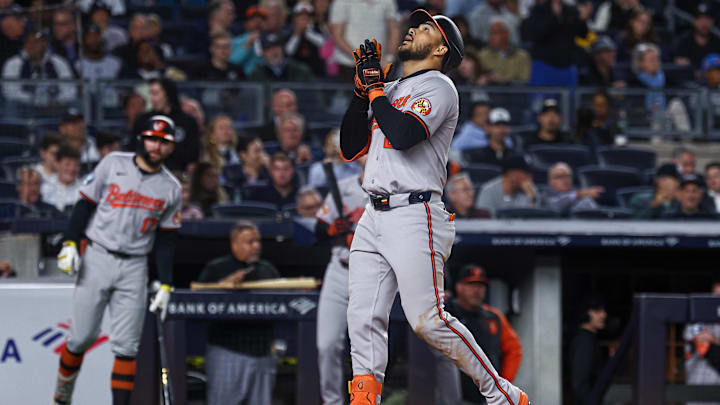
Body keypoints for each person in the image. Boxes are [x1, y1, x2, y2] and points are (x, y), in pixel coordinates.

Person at [338, 10, 529, 404]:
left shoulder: (439, 86)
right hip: (373, 213)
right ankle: (364, 400)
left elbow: (406, 135)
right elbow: (349, 147)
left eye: (425, 28)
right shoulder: (389, 87)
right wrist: (362, 94)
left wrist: (376, 93)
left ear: (442, 48)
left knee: (428, 321)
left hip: (415, 211)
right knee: (362, 317)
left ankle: (501, 394)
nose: (413, 29)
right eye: (416, 24)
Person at [52, 115, 181, 405]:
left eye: (163, 142)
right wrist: (70, 242)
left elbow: (166, 240)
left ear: (171, 147)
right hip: (98, 255)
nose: (156, 147)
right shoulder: (113, 163)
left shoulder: (171, 188)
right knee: (81, 338)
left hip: (135, 265)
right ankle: (62, 396)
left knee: (127, 347)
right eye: (152, 139)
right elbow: (85, 203)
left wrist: (165, 284)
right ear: (141, 138)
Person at [197, 220, 280, 405]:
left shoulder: (268, 270)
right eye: (250, 242)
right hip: (228, 351)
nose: (256, 246)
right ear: (234, 243)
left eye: (258, 241)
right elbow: (197, 300)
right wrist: (222, 286)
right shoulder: (216, 268)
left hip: (263, 352)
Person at [315, 155, 370, 405]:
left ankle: (366, 400)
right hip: (339, 271)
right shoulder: (345, 187)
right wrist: (333, 230)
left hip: (372, 277)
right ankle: (332, 402)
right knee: (326, 345)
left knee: (368, 351)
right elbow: (318, 228)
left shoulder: (392, 192)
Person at [435, 265, 523, 405]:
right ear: (458, 287)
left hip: (485, 399)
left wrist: (502, 386)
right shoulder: (447, 313)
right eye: (471, 284)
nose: (477, 290)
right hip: (453, 396)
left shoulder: (494, 317)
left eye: (481, 285)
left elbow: (514, 350)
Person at [131, 78, 201, 172]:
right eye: (150, 93)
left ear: (168, 94)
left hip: (178, 175)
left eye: (155, 93)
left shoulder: (187, 122)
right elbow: (133, 150)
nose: (152, 98)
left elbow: (193, 157)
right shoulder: (143, 121)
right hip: (145, 174)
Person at [2, 28, 76, 106]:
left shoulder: (59, 63)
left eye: (36, 42)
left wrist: (55, 101)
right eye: (28, 42)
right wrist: (35, 100)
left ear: (45, 44)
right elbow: (10, 92)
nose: (31, 46)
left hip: (54, 110)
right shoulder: (13, 63)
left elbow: (70, 91)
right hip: (21, 111)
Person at [328, 0, 400, 80]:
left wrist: (389, 58)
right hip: (348, 66)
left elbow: (394, 30)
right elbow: (337, 36)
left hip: (379, 65)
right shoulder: (341, 2)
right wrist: (362, 59)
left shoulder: (388, 1)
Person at [525, 0, 590, 86]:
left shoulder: (570, 10)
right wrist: (554, 16)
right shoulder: (539, 9)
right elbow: (536, 35)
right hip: (544, 64)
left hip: (567, 65)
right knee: (541, 99)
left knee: (568, 99)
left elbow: (583, 35)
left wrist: (582, 19)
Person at [628, 43, 691, 132]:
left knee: (676, 104)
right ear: (641, 63)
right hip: (645, 118)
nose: (656, 62)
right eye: (651, 59)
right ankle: (656, 143)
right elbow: (634, 108)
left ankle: (687, 139)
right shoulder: (634, 82)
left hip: (665, 116)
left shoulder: (668, 80)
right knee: (656, 113)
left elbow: (673, 98)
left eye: (657, 59)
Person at [683, 279, 720, 405]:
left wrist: (714, 340)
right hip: (698, 387)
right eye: (715, 296)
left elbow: (710, 341)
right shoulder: (697, 320)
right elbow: (700, 338)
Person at [567, 296, 607, 405]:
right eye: (597, 311)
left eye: (603, 311)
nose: (603, 315)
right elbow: (580, 383)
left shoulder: (588, 338)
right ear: (585, 313)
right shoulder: (584, 341)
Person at [477, 17, 531, 84]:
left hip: (514, 93)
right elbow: (476, 78)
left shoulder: (522, 56)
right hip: (489, 92)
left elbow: (524, 82)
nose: (491, 37)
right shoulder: (482, 56)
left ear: (506, 34)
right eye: (490, 33)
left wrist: (503, 81)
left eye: (495, 33)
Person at [248, 32, 314, 82]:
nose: (274, 51)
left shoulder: (300, 70)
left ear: (282, 49)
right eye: (269, 48)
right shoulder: (257, 74)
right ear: (263, 53)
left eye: (276, 46)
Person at [673, 3, 720, 72]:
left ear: (712, 21)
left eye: (707, 18)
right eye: (700, 18)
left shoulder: (717, 42)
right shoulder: (683, 41)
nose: (704, 23)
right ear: (694, 21)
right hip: (690, 80)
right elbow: (679, 65)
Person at [286, 2, 327, 77]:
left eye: (307, 17)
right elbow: (289, 51)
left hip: (316, 72)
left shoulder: (317, 29)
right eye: (301, 17)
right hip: (295, 74)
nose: (304, 20)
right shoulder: (289, 31)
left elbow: (322, 43)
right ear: (295, 19)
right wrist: (297, 34)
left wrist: (306, 32)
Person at [41, 143, 82, 214]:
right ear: (57, 164)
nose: (72, 169)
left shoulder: (85, 190)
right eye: (67, 164)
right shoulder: (44, 186)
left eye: (76, 165)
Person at [230, 5, 267, 76]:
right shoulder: (237, 41)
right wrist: (247, 44)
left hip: (267, 80)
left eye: (261, 19)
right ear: (246, 23)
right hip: (245, 81)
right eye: (253, 19)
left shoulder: (271, 40)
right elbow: (233, 62)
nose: (257, 22)